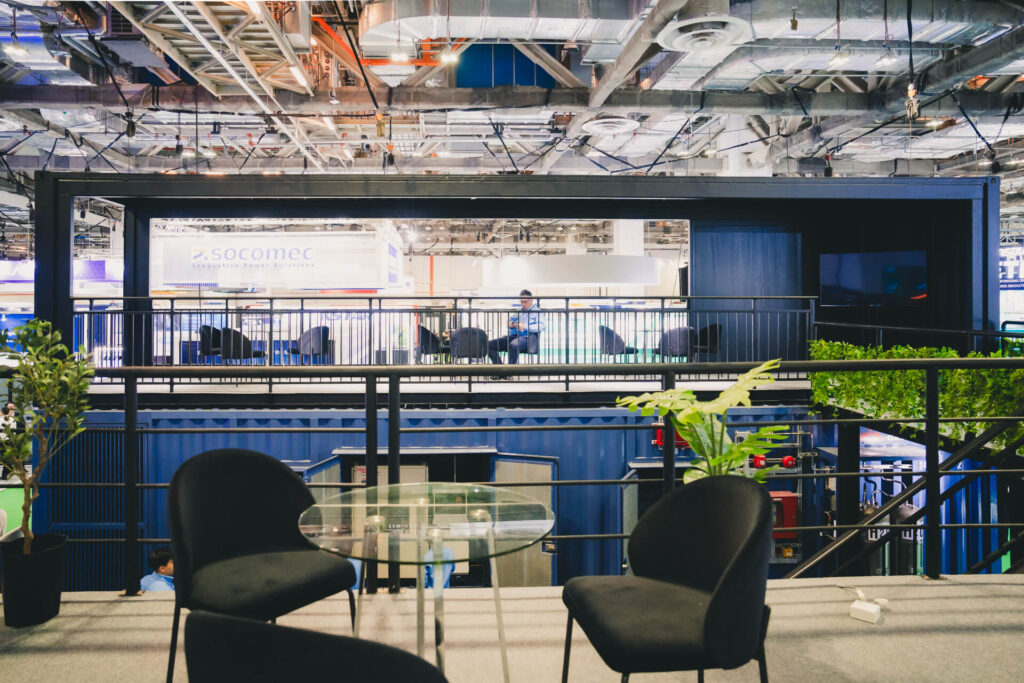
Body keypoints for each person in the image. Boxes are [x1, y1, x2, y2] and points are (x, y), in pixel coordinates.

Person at [487, 289, 544, 368]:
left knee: (514, 344)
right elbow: (509, 321)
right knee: (488, 345)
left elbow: (541, 326)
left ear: (531, 300)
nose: (523, 304)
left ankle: (510, 371)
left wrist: (525, 327)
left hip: (526, 338)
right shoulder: (518, 311)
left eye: (525, 302)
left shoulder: (537, 312)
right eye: (521, 302)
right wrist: (510, 324)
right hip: (512, 336)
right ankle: (499, 369)